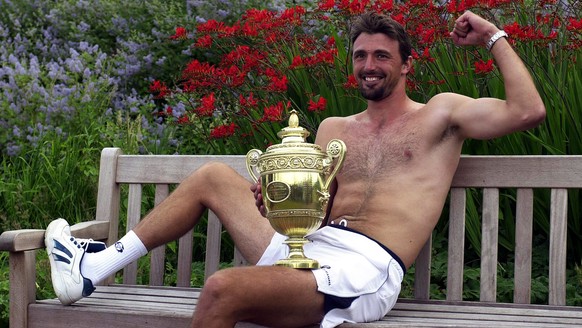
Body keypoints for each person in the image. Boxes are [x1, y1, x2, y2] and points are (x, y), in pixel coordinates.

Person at [44, 10, 545, 328]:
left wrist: (493, 36)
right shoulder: (332, 128)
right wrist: (276, 207)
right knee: (213, 177)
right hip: (303, 248)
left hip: (362, 268)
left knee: (223, 287)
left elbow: (528, 110)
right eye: (361, 55)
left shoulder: (442, 114)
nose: (369, 64)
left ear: (406, 64)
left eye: (382, 56)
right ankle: (92, 270)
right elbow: (316, 214)